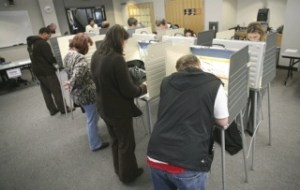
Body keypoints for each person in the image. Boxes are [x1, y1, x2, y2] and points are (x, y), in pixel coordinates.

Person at [147, 54, 229, 190]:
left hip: (156, 155)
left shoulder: (166, 81)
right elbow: (222, 121)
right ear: (199, 66)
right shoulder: (214, 84)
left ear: (179, 70)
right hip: (187, 160)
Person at [91, 24, 147, 183]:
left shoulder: (97, 54)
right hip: (118, 111)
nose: (125, 44)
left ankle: (119, 169)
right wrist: (143, 87)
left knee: (115, 140)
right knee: (126, 144)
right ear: (118, 40)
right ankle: (128, 175)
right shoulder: (116, 59)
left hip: (103, 107)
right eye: (124, 40)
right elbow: (128, 91)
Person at [63, 33, 109, 151]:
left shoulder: (68, 55)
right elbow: (78, 73)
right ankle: (95, 144)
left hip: (78, 94)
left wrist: (71, 82)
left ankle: (94, 136)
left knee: (91, 117)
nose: (88, 49)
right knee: (92, 119)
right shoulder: (80, 57)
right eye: (87, 46)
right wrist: (71, 82)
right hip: (86, 94)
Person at [27, 27, 67, 116]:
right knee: (56, 90)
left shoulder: (30, 44)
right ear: (44, 33)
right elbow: (49, 58)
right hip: (47, 71)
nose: (48, 38)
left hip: (37, 71)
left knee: (46, 91)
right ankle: (63, 108)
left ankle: (52, 110)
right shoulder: (43, 44)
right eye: (48, 36)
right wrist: (57, 62)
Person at [244, 22, 266, 135]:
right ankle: (241, 128)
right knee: (244, 104)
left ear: (261, 35)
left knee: (256, 106)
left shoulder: (265, 46)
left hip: (260, 81)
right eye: (250, 37)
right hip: (247, 79)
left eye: (255, 37)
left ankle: (252, 129)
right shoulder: (244, 45)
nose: (253, 39)